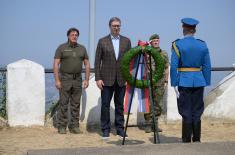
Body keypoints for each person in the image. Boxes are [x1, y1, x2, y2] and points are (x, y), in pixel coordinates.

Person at [170, 18, 211, 142]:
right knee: (197, 110)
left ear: (184, 29)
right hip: (199, 81)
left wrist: (174, 83)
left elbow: (173, 66)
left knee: (185, 110)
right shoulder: (202, 44)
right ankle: (197, 139)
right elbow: (207, 66)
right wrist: (206, 81)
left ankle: (186, 139)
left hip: (184, 81)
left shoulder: (177, 44)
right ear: (194, 30)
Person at [94, 17, 131, 139]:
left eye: (118, 25)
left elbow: (129, 61)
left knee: (120, 105)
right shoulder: (102, 41)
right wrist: (98, 78)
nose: (116, 27)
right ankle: (105, 129)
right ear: (109, 26)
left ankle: (120, 129)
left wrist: (128, 77)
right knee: (105, 105)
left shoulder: (126, 41)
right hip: (106, 79)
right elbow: (97, 61)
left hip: (121, 79)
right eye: (114, 25)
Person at [53, 27, 90, 134]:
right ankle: (62, 126)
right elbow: (56, 64)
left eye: (76, 35)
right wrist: (57, 80)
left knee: (76, 104)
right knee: (64, 103)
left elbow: (87, 64)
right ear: (68, 36)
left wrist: (87, 79)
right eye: (72, 35)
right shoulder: (61, 48)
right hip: (65, 79)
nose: (74, 36)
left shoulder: (82, 48)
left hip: (78, 79)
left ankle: (74, 126)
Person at [144, 34, 169, 133]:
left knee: (158, 103)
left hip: (160, 82)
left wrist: (166, 80)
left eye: (157, 40)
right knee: (149, 103)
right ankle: (148, 124)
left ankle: (155, 124)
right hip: (149, 81)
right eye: (154, 40)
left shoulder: (164, 54)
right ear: (150, 42)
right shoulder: (146, 53)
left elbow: (167, 68)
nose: (156, 42)